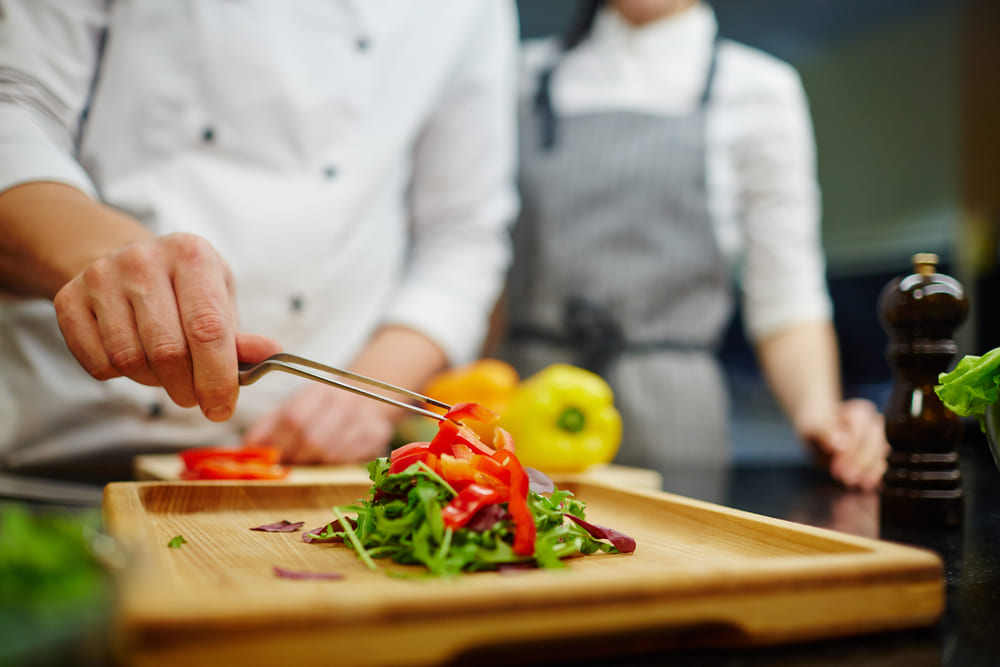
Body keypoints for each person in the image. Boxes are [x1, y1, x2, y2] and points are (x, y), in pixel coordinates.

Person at [0, 2, 519, 482]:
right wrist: (105, 256)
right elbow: (14, 111)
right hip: (56, 453)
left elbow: (463, 236)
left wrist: (366, 400)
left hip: (306, 474)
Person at [497, 0, 888, 490]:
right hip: (525, 409)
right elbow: (475, 260)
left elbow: (785, 294)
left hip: (678, 420)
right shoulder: (516, 77)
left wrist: (822, 418)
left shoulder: (760, 89)